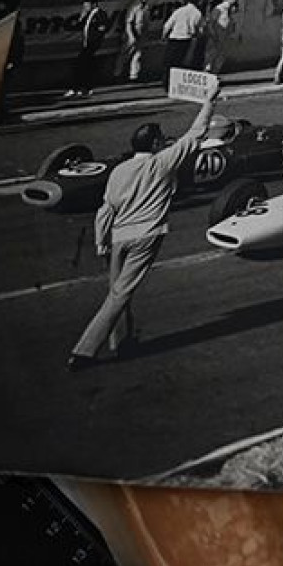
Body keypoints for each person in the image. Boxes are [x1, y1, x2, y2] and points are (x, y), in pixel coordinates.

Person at [67, 82, 221, 370]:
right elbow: (196, 133)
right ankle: (84, 350)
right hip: (146, 235)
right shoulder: (160, 164)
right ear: (153, 145)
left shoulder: (119, 171)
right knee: (120, 294)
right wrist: (210, 101)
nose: (163, 143)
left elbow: (106, 209)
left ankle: (121, 342)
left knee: (117, 291)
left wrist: (101, 241)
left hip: (117, 236)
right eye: (160, 140)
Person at [66, 0, 109, 98]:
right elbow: (80, 26)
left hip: (92, 45)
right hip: (86, 45)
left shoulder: (100, 14)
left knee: (80, 65)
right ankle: (84, 88)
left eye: (87, 5)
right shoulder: (88, 15)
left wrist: (95, 41)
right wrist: (81, 18)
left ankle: (77, 88)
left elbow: (102, 29)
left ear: (93, 5)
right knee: (85, 67)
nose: (85, 7)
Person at [160, 0, 203, 76]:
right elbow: (200, 30)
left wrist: (163, 36)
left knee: (169, 61)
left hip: (174, 38)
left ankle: (166, 80)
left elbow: (168, 25)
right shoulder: (198, 13)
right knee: (180, 62)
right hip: (186, 39)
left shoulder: (179, 10)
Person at [114, 0, 150, 83]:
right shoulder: (134, 7)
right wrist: (131, 35)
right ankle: (117, 74)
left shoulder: (146, 7)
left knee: (138, 55)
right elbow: (128, 22)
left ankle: (134, 76)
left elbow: (146, 23)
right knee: (124, 55)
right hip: (131, 33)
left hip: (141, 34)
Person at [201, 0, 240, 74]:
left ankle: (214, 73)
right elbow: (211, 22)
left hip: (224, 38)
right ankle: (207, 73)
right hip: (216, 36)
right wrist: (213, 34)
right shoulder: (220, 8)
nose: (237, 0)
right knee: (211, 56)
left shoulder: (230, 11)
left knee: (220, 57)